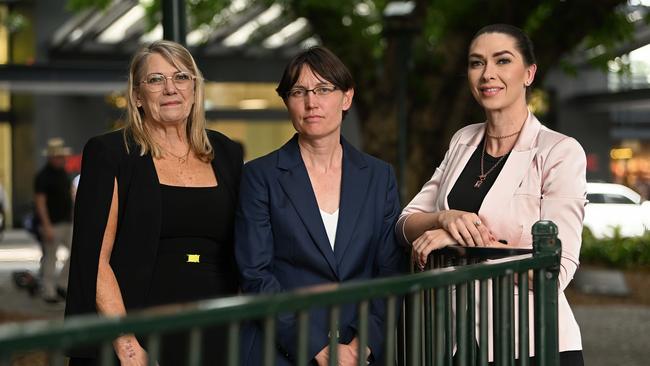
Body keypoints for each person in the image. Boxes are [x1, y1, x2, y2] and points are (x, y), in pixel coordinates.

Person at [396, 24, 585, 365]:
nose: (487, 74)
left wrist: (465, 242)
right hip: (456, 342)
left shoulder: (559, 151)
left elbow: (556, 270)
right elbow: (405, 224)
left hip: (530, 343)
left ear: (529, 73)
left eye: (502, 61)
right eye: (476, 63)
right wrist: (444, 217)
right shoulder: (463, 140)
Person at [64, 40, 243, 365]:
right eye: (156, 79)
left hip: (217, 329)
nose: (170, 88)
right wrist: (127, 345)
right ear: (136, 95)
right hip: (139, 330)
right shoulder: (111, 153)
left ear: (195, 87)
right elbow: (95, 261)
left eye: (181, 77)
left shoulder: (226, 152)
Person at [235, 46, 405, 366]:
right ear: (287, 101)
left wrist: (362, 344)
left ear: (346, 98)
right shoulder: (259, 176)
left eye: (324, 89)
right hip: (282, 350)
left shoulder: (379, 176)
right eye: (299, 91)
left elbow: (389, 272)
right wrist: (316, 347)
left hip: (361, 352)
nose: (311, 102)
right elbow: (256, 275)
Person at [34, 137, 74, 303]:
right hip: (52, 224)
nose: (61, 159)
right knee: (51, 258)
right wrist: (47, 226)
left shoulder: (63, 173)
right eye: (58, 156)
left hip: (66, 222)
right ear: (51, 157)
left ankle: (62, 285)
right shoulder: (43, 176)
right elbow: (40, 203)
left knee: (78, 251)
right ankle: (48, 292)